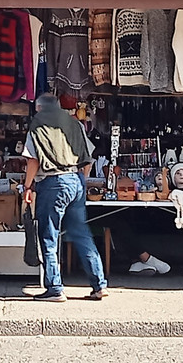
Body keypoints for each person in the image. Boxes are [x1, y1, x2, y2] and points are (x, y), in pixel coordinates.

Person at [22, 94, 108, 302]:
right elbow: (88, 158)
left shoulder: (38, 124)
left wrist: (27, 186)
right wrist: (80, 180)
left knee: (49, 235)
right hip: (75, 181)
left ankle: (54, 288)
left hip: (52, 183)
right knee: (81, 233)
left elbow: (33, 160)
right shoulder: (75, 124)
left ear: (39, 108)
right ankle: (99, 285)